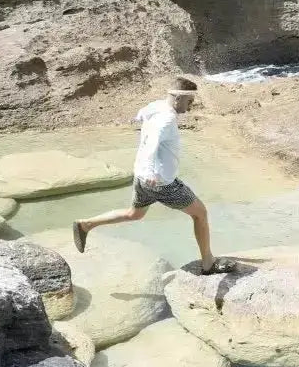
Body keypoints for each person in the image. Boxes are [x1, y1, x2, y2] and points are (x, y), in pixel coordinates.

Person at [73, 77, 235, 274]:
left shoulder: (157, 107)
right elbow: (152, 142)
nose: (191, 106)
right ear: (176, 98)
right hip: (161, 183)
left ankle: (86, 225)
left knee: (134, 214)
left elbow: (143, 112)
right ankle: (208, 263)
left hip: (142, 178)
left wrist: (140, 117)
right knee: (200, 214)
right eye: (189, 101)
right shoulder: (166, 119)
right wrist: (151, 170)